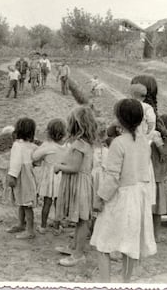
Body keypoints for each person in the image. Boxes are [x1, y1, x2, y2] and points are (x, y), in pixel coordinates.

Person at [90, 99, 157, 283]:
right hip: (139, 197)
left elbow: (112, 177)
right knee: (130, 244)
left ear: (120, 119)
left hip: (121, 198)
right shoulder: (144, 141)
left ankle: (106, 283)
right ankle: (125, 283)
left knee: (103, 242)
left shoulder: (118, 143)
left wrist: (99, 198)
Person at [54, 106, 97, 266]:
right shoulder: (84, 143)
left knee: (82, 220)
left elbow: (75, 168)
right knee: (81, 220)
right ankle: (75, 247)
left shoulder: (79, 144)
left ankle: (78, 254)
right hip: (81, 183)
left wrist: (59, 167)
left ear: (74, 125)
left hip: (80, 184)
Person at [5, 118, 39, 239]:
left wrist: (12, 176)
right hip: (29, 176)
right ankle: (21, 224)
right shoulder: (32, 146)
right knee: (23, 202)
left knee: (25, 204)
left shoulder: (17, 145)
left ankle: (30, 230)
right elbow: (37, 160)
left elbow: (16, 162)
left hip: (21, 176)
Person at [33, 119, 67, 235]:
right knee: (58, 203)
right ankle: (57, 228)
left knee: (47, 203)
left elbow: (35, 156)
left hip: (49, 178)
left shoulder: (47, 145)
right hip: (60, 177)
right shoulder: (66, 146)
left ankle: (43, 226)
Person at [151, 114, 167, 243]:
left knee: (156, 211)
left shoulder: (164, 142)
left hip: (156, 179)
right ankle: (155, 235)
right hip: (154, 178)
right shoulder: (156, 139)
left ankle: (155, 235)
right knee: (155, 211)